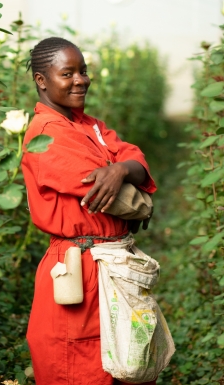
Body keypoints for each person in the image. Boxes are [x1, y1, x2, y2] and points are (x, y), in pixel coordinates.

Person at [21, 37, 157, 385]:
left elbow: (136, 159)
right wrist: (120, 172)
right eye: (67, 73)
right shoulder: (47, 133)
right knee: (79, 366)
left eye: (83, 71)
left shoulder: (88, 124)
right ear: (42, 80)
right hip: (78, 268)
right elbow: (117, 195)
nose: (81, 79)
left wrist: (121, 169)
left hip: (109, 263)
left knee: (128, 359)